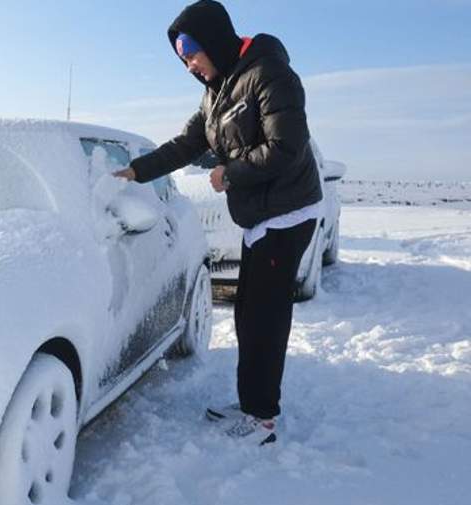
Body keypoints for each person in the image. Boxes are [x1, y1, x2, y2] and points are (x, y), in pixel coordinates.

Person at [114, 0, 323, 445]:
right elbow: (186, 144)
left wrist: (230, 173)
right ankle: (252, 405)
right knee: (249, 314)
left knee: (263, 319)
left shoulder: (268, 73)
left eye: (191, 53)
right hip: (263, 217)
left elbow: (288, 146)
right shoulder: (218, 91)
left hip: (288, 213)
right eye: (183, 58)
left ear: (214, 40)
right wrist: (136, 171)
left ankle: (262, 419)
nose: (189, 64)